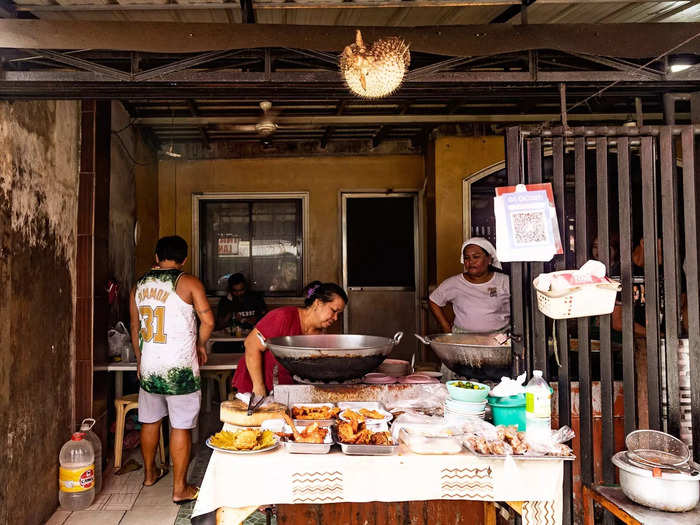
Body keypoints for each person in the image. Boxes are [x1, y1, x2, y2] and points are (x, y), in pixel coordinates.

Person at [129, 235, 214, 505]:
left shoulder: (139, 286)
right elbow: (208, 321)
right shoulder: (188, 282)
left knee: (150, 420)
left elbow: (135, 328)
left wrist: (142, 360)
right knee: (180, 426)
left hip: (151, 367)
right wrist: (200, 344)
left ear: (156, 256)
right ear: (185, 258)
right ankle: (180, 488)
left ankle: (150, 474)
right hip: (180, 367)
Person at [232, 281, 348, 397]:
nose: (336, 318)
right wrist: (258, 387)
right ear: (318, 303)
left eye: (339, 314)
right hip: (255, 388)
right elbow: (251, 345)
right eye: (333, 311)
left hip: (285, 391)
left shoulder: (320, 335)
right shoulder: (283, 317)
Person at [429, 237, 510, 335]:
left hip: (499, 339)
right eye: (467, 258)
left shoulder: (504, 281)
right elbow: (434, 300)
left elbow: (521, 308)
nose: (470, 262)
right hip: (463, 339)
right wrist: (445, 326)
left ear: (489, 259)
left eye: (476, 257)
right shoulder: (455, 283)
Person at [214, 273, 267, 351]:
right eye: (235, 291)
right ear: (230, 290)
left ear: (245, 288)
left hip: (252, 337)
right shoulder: (225, 301)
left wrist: (250, 320)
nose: (238, 293)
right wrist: (231, 315)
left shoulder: (255, 299)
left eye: (241, 290)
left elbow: (265, 320)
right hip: (230, 340)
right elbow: (219, 324)